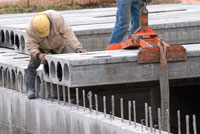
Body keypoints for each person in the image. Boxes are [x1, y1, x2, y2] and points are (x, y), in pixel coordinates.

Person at [26, 10, 87, 99]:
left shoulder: (57, 19)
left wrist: (77, 47)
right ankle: (30, 88)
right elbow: (31, 45)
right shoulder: (31, 28)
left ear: (50, 24)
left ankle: (67, 91)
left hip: (59, 46)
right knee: (32, 65)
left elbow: (68, 34)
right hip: (42, 48)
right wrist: (38, 55)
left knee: (64, 66)